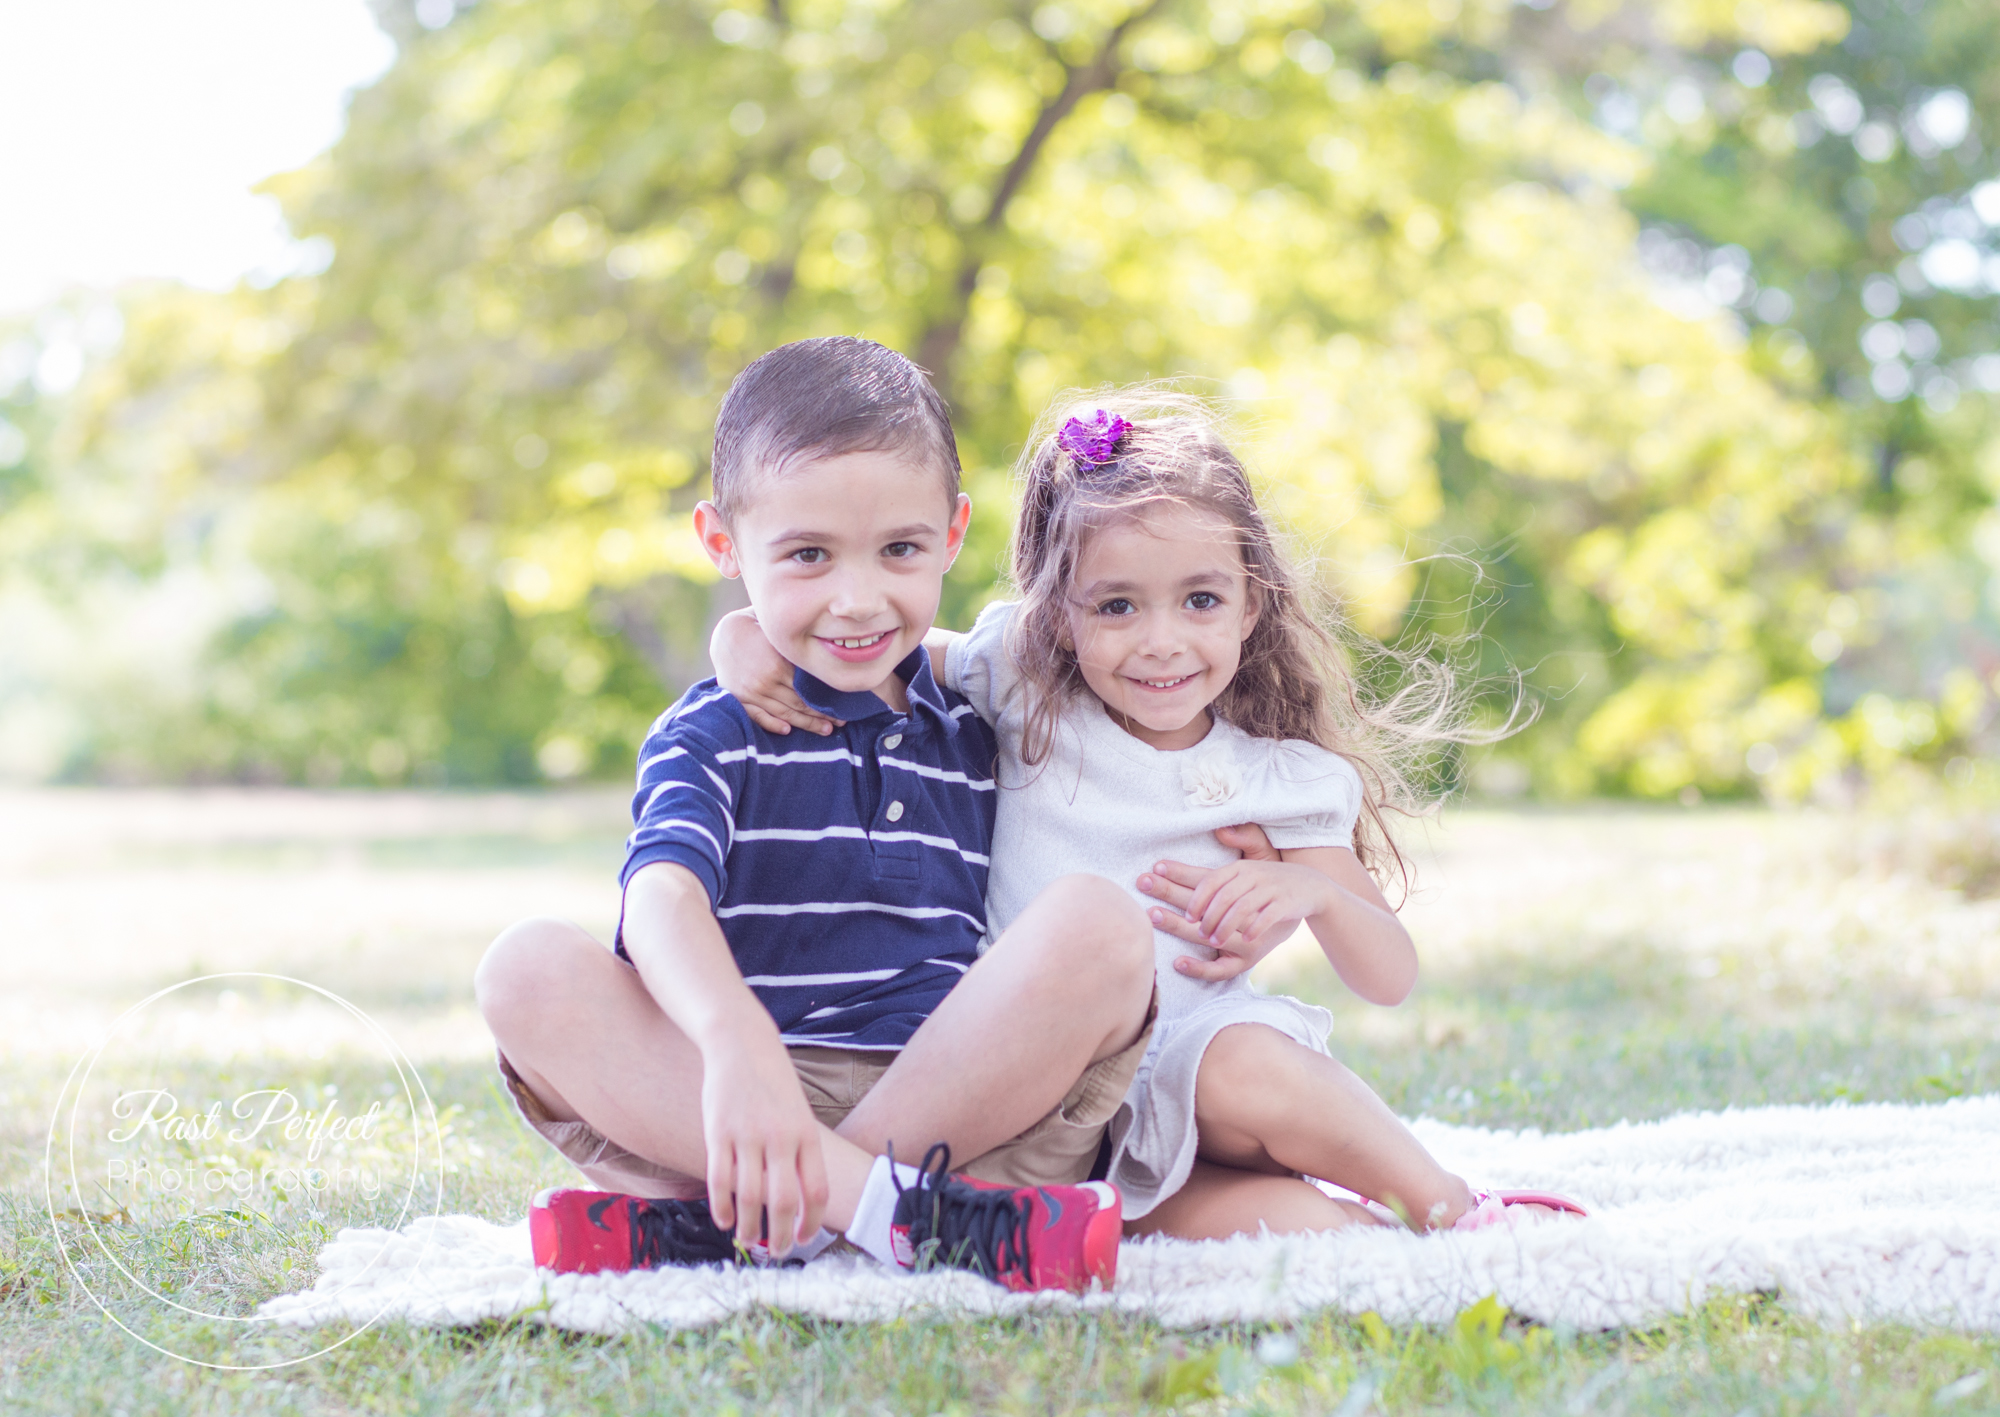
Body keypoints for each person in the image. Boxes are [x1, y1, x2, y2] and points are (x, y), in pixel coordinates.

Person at [713, 391, 1583, 1240]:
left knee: (1251, 1061)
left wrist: (1306, 893)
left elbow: (1388, 975)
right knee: (1316, 1234)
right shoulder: (1023, 685)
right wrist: (741, 638)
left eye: (1200, 601)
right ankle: (1364, 1223)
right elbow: (875, 645)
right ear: (1059, 616)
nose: (1161, 640)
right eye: (1117, 606)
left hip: (1199, 1069)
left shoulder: (1277, 779)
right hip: (1053, 1101)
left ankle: (1454, 1208)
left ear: (1252, 601)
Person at [475, 339, 1158, 1293]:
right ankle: (898, 1221)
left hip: (958, 1109)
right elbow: (660, 895)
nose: (857, 597)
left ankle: (756, 1222)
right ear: (722, 544)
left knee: (1104, 924)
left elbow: (1151, 706)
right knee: (525, 967)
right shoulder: (715, 728)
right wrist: (734, 1041)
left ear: (953, 535)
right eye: (806, 555)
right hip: (739, 1099)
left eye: (900, 550)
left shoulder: (986, 708)